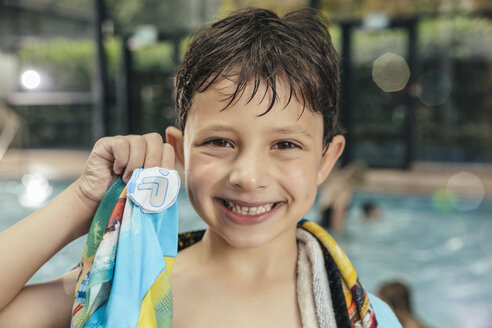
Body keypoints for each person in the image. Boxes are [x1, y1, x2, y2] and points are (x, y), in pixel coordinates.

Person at [0, 8, 401, 327]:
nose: (248, 175)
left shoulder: (368, 318)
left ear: (326, 160)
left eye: (285, 144)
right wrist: (83, 200)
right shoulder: (123, 281)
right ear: (180, 152)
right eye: (219, 142)